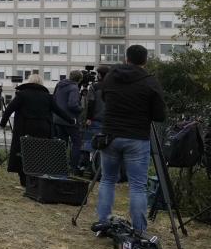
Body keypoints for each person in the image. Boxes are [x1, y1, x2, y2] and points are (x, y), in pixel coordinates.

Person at [94, 45, 166, 233]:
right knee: (137, 186)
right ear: (145, 61)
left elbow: (104, 97)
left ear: (127, 59)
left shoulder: (110, 77)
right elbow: (160, 115)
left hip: (110, 135)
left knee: (107, 180)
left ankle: (103, 222)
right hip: (137, 138)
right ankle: (139, 229)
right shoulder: (150, 82)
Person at [0, 74, 75, 186]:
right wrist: (71, 121)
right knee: (39, 155)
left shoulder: (22, 95)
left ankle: (24, 182)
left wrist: (3, 123)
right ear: (41, 83)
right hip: (43, 129)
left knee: (23, 154)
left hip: (24, 128)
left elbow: (9, 109)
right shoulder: (47, 96)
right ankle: (37, 181)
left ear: (29, 82)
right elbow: (58, 111)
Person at [53, 70, 84, 174]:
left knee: (62, 144)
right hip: (70, 120)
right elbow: (72, 105)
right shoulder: (74, 88)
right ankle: (73, 167)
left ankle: (59, 167)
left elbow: (54, 99)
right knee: (77, 143)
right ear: (79, 80)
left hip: (58, 118)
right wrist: (81, 108)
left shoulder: (60, 85)